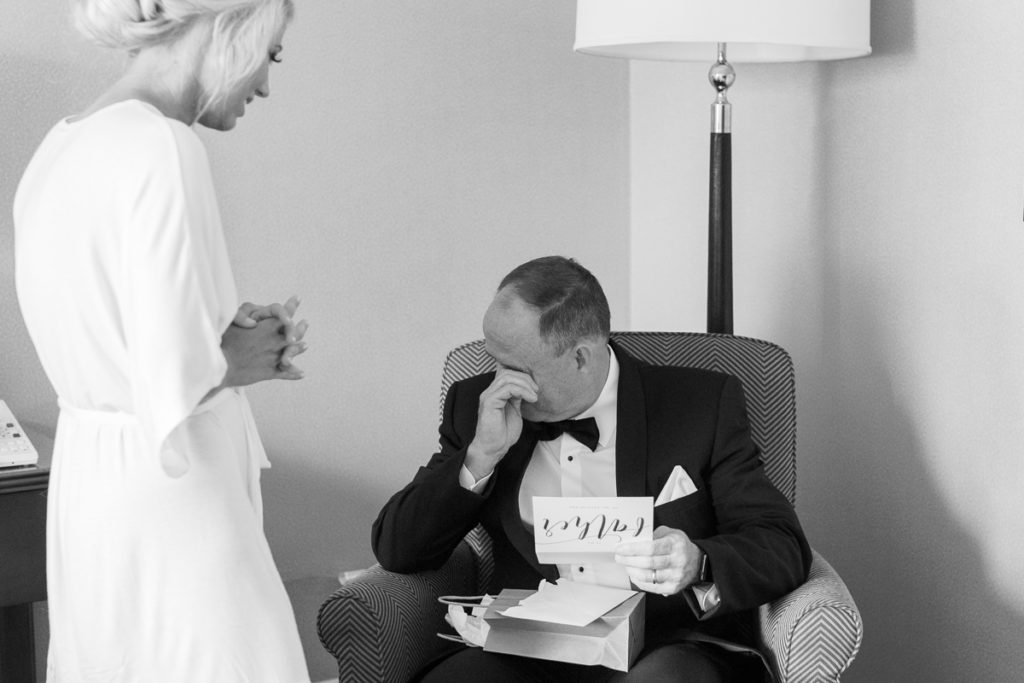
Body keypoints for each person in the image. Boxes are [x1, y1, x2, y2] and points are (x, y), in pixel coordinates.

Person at [13, 1, 311, 680]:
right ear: (231, 26)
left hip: (92, 492)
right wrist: (242, 355)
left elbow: (116, 333)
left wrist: (219, 334)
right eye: (272, 53)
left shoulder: (61, 146)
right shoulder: (163, 145)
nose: (264, 84)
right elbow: (174, 374)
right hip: (173, 488)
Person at [372, 256, 812, 682]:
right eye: (493, 360)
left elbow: (782, 544)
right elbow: (399, 549)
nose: (498, 381)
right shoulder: (480, 406)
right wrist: (480, 456)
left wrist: (699, 562)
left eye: (513, 367)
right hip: (526, 646)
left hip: (662, 645)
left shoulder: (700, 406)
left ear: (581, 357)